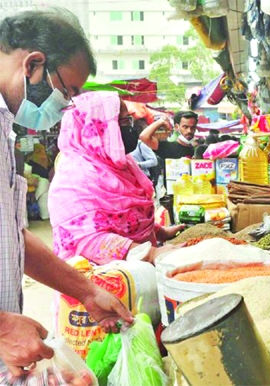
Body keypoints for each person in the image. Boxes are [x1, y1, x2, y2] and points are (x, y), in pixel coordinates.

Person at [0, 8, 133, 376]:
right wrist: (2, 327)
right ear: (33, 65)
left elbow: (12, 240)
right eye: (67, 91)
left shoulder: (5, 126)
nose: (65, 107)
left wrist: (86, 291)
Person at [49, 92, 183, 265]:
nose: (130, 128)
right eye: (123, 121)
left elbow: (130, 217)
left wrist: (160, 232)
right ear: (96, 127)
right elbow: (88, 240)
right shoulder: (74, 178)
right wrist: (151, 253)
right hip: (105, 284)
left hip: (138, 272)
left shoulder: (121, 164)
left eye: (129, 120)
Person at [140, 110, 197, 188]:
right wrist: (161, 121)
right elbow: (144, 136)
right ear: (177, 127)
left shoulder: (198, 151)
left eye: (192, 127)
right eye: (185, 127)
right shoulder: (167, 147)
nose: (189, 131)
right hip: (173, 197)